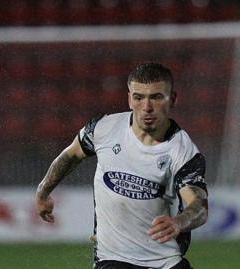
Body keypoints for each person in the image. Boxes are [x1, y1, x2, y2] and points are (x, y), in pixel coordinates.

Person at [35, 63, 208, 269]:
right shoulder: (103, 129)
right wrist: (43, 191)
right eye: (138, 97)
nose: (147, 107)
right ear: (129, 99)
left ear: (173, 99)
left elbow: (198, 207)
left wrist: (179, 222)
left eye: (156, 97)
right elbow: (71, 155)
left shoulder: (182, 152)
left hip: (165, 262)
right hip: (113, 260)